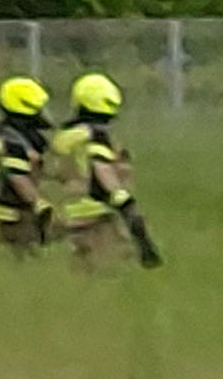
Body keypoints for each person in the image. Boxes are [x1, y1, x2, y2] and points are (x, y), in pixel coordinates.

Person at [48, 74, 156, 269]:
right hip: (96, 216)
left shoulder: (64, 137)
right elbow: (102, 172)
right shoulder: (96, 138)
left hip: (66, 213)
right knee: (115, 270)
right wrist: (127, 208)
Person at [0, 76, 56, 254]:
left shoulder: (8, 136)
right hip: (14, 217)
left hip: (7, 214)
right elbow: (16, 175)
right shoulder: (12, 141)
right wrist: (39, 203)